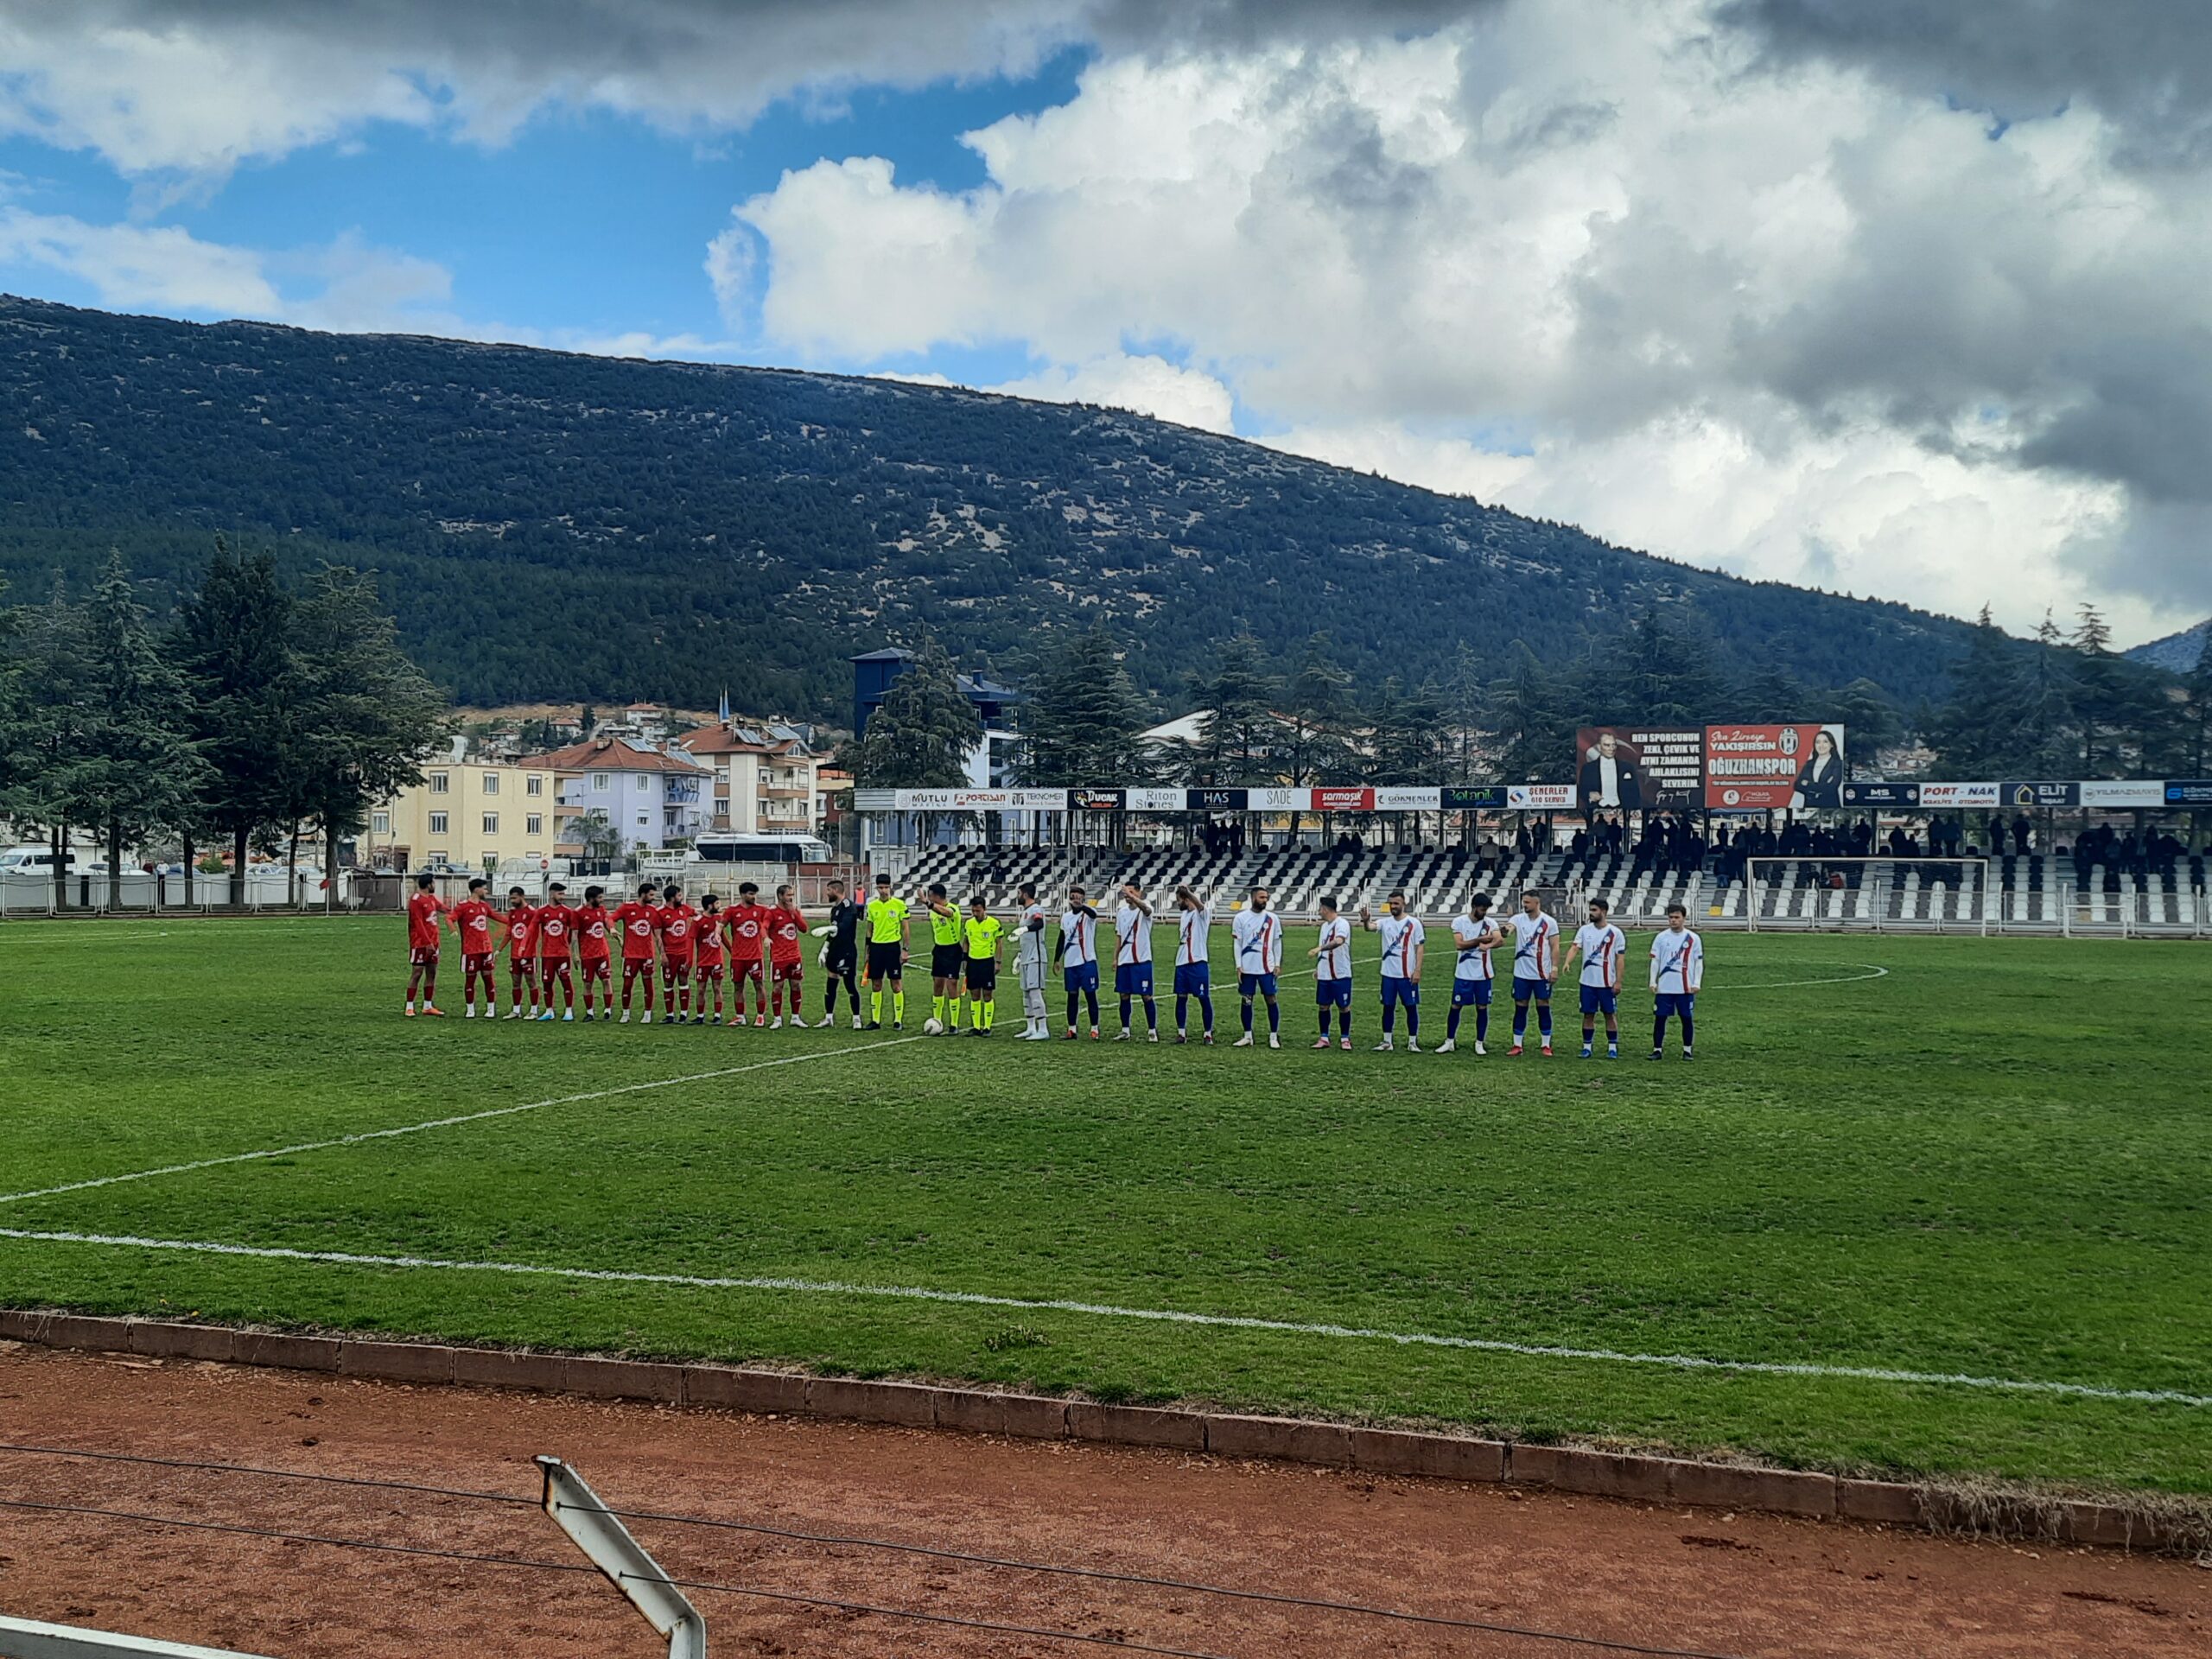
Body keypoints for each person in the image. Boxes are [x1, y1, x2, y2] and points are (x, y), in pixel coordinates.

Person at [1561, 897, 1626, 1058]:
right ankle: (1587, 1047)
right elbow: (1575, 947)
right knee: (1588, 1014)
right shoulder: (1584, 930)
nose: (1591, 913)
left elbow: (1620, 958)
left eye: (1594, 910)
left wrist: (1618, 981)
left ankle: (1612, 1048)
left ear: (1603, 912)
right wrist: (1567, 962)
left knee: (1609, 1014)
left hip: (1606, 983)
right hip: (1587, 982)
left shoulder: (1615, 933)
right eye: (1590, 910)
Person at [1360, 889, 1424, 1052]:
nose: (1393, 906)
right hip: (1388, 974)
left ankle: (1412, 1041)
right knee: (1388, 1007)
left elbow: (1419, 948)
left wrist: (1417, 970)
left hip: (1406, 975)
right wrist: (1366, 921)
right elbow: (1370, 928)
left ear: (1404, 904)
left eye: (1396, 903)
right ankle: (1387, 1041)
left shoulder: (1414, 923)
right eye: (1390, 903)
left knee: (1411, 1007)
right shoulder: (1385, 922)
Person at [1440, 890, 1499, 1054]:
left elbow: (1499, 939)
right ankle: (1449, 1041)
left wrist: (1489, 945)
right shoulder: (1459, 922)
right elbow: (1459, 945)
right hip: (1463, 974)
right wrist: (1479, 941)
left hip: (1483, 974)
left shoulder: (1490, 924)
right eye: (1482, 909)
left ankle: (1479, 1042)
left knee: (1482, 1007)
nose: (1484, 913)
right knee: (1456, 1006)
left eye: (1486, 910)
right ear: (1474, 907)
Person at [1505, 890, 1560, 1057]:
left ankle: (1545, 1044)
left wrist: (1555, 968)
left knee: (1543, 1007)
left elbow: (1555, 946)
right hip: (1521, 974)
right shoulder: (1517, 919)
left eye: (1527, 902)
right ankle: (1517, 1044)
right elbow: (1509, 929)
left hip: (1541, 974)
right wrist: (1504, 931)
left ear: (1537, 903)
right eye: (1524, 902)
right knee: (1520, 1007)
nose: (1524, 905)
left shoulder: (1549, 922)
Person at [1649, 902, 1703, 1059]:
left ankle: (1687, 1050)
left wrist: (1696, 982)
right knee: (1660, 1019)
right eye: (1671, 917)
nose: (1673, 920)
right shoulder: (1661, 937)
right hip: (1665, 987)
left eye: (1677, 917)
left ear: (1684, 918)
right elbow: (1655, 961)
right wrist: (1653, 981)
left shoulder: (1693, 938)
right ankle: (1657, 1050)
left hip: (1685, 987)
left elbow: (1698, 961)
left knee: (1686, 1018)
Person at [1230, 886, 1281, 1049]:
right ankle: (1247, 1035)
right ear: (1253, 898)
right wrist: (1238, 965)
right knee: (1246, 1000)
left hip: (1267, 967)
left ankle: (1273, 1036)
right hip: (1247, 968)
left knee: (1271, 999)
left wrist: (1278, 963)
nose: (1264, 901)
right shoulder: (1241, 918)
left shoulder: (1272, 918)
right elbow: (1237, 943)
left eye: (1266, 898)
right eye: (1261, 898)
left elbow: (1277, 942)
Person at [610, 880, 662, 1023]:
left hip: (647, 954)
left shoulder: (653, 911)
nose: (653, 898)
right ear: (643, 894)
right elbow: (611, 918)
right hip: (630, 954)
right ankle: (626, 1012)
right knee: (627, 984)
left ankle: (647, 1013)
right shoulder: (627, 908)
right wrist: (612, 928)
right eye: (651, 895)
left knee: (648, 983)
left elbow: (658, 933)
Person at [1112, 881, 1159, 1042]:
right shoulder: (1121, 912)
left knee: (1146, 996)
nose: (1127, 895)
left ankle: (1152, 1030)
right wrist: (1115, 958)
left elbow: (1146, 909)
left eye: (1131, 892)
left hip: (1141, 960)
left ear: (1138, 893)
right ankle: (1125, 1030)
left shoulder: (1146, 909)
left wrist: (1132, 896)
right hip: (1125, 960)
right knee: (1124, 995)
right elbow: (1119, 936)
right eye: (1126, 892)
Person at [864, 872, 910, 1030]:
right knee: (876, 984)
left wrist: (905, 949)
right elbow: (869, 930)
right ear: (876, 888)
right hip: (877, 948)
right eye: (880, 887)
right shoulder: (872, 906)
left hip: (892, 947)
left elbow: (905, 929)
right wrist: (867, 951)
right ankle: (875, 1020)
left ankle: (898, 1020)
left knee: (896, 984)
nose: (883, 890)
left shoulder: (899, 905)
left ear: (890, 887)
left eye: (886, 887)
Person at [817, 879, 865, 1029]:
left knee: (849, 984)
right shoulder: (834, 909)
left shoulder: (849, 907)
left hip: (847, 951)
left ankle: (856, 1018)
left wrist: (828, 929)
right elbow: (833, 931)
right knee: (831, 983)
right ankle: (828, 1017)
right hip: (834, 950)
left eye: (829, 890)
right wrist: (824, 948)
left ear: (836, 890)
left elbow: (843, 928)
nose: (827, 893)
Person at [448, 876, 498, 1019]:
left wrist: (512, 921)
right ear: (477, 889)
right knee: (470, 980)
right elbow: (450, 918)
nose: (486, 890)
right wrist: (453, 929)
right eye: (484, 887)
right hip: (470, 950)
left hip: (486, 949)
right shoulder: (463, 906)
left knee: (488, 979)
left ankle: (491, 1009)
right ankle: (470, 1009)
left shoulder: (484, 906)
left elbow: (496, 917)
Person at [1308, 894, 1353, 1051]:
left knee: (1344, 1006)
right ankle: (1324, 1037)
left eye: (1320, 909)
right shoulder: (1324, 927)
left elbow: (1339, 941)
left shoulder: (1342, 924)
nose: (1319, 912)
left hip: (1341, 974)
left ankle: (1345, 1038)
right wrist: (1319, 967)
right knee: (1323, 1006)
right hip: (1325, 974)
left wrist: (1319, 948)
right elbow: (1325, 949)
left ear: (1326, 909)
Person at [1172, 884, 1215, 1046]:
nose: (1178, 904)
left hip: (1198, 962)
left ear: (1186, 900)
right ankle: (1181, 1032)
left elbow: (1201, 906)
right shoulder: (1184, 916)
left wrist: (1188, 893)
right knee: (1181, 997)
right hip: (1182, 962)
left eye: (1179, 900)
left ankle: (1207, 1033)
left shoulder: (1201, 915)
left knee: (1203, 998)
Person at [1058, 883, 1102, 1040]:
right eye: (1072, 897)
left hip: (1087, 961)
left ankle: (1094, 1028)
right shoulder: (1065, 917)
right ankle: (1072, 1029)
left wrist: (1082, 906)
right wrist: (1058, 959)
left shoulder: (1088, 915)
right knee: (1072, 996)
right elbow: (1062, 937)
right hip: (1070, 962)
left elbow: (1093, 914)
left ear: (1083, 898)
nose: (1074, 899)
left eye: (1077, 896)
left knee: (1090, 995)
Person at [726, 881, 770, 1027]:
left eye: (755, 894)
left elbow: (770, 923)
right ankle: (740, 1016)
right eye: (751, 894)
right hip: (738, 957)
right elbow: (721, 924)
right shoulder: (732, 911)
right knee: (738, 986)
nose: (754, 897)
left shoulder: (762, 910)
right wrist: (717, 933)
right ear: (743, 895)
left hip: (755, 956)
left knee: (759, 984)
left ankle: (760, 1016)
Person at [404, 873, 448, 1017]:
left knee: (432, 972)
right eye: (433, 883)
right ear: (428, 884)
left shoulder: (431, 898)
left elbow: (444, 908)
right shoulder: (416, 900)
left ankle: (428, 1006)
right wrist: (427, 942)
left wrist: (461, 912)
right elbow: (417, 922)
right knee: (417, 972)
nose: (434, 885)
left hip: (434, 942)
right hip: (420, 943)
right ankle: (409, 1006)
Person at [923, 881, 964, 1033]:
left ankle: (954, 1024)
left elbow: (947, 913)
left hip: (952, 950)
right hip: (939, 949)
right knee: (938, 983)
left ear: (936, 896)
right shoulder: (933, 911)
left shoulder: (953, 908)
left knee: (952, 984)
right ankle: (937, 1020)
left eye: (930, 896)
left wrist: (928, 903)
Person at [657, 883, 699, 1024]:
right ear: (672, 897)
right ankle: (669, 1015)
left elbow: (698, 915)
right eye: (679, 895)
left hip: (683, 953)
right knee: (668, 983)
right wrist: (662, 954)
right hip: (669, 954)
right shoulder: (660, 913)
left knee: (683, 981)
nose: (681, 898)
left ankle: (683, 1014)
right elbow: (658, 936)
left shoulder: (684, 909)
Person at [534, 881, 577, 1022]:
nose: (562, 896)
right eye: (560, 893)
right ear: (551, 894)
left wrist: (570, 947)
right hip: (547, 954)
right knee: (547, 982)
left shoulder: (567, 912)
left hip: (563, 954)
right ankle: (549, 1011)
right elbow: (533, 930)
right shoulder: (542, 912)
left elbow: (573, 932)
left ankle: (569, 1011)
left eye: (563, 893)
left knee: (566, 981)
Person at [961, 894, 1002, 1035]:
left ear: (984, 909)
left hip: (987, 962)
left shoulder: (994, 923)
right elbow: (966, 941)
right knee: (974, 994)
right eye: (973, 911)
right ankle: (976, 1027)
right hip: (973, 962)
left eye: (978, 911)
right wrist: (965, 959)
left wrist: (998, 962)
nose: (975, 913)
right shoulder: (969, 923)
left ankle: (987, 1027)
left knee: (987, 994)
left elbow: (999, 943)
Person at [1015, 881, 1052, 1040]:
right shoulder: (1025, 912)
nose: (1017, 897)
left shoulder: (1036, 910)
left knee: (1035, 992)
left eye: (1019, 893)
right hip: (1026, 957)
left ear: (1025, 894)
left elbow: (1039, 923)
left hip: (1036, 957)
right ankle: (1031, 1027)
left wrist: (1026, 929)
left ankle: (1043, 1029)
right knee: (1026, 993)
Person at [1577, 730, 1643, 814]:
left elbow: (1635, 791)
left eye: (1613, 745)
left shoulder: (1627, 767)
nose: (1611, 748)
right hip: (1597, 807)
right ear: (1599, 747)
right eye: (1607, 745)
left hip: (1621, 805)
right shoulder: (1588, 768)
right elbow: (1582, 790)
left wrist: (1635, 807)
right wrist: (1589, 795)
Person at [767, 884, 806, 1028]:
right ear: (780, 896)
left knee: (796, 985)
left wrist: (793, 913)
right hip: (778, 957)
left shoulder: (794, 911)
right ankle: (777, 1019)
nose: (791, 898)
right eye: (788, 895)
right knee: (778, 987)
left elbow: (804, 928)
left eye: (792, 895)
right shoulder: (772, 912)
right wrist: (766, 938)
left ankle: (795, 1017)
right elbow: (764, 926)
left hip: (794, 956)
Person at [500, 885, 538, 1020]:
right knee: (515, 982)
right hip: (514, 954)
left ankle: (534, 1010)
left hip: (528, 954)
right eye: (511, 898)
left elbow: (534, 934)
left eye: (514, 898)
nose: (512, 901)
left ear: (522, 896)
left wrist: (528, 950)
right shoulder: (512, 913)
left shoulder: (532, 912)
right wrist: (499, 950)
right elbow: (509, 932)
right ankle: (516, 1010)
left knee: (531, 981)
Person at [575, 885, 613, 1020]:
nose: (602, 900)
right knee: (588, 983)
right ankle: (589, 1012)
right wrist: (575, 955)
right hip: (587, 955)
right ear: (591, 899)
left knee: (606, 980)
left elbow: (606, 921)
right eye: (600, 897)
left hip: (603, 953)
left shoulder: (601, 909)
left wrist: (612, 930)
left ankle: (608, 1010)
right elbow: (574, 935)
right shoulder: (579, 913)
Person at [692, 893, 728, 1026]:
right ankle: (700, 1016)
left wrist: (732, 951)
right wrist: (690, 960)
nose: (720, 906)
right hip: (703, 961)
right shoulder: (698, 922)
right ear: (709, 905)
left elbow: (723, 937)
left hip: (717, 961)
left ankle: (717, 1016)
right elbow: (692, 940)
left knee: (717, 988)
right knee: (701, 989)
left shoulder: (719, 920)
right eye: (717, 903)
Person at [1789, 728, 1846, 810]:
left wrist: (1808, 784)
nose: (1821, 745)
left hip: (1830, 806)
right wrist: (1820, 787)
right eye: (1818, 742)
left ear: (1832, 744)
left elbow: (1831, 787)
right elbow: (1797, 785)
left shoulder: (1838, 763)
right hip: (1810, 805)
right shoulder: (1809, 763)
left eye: (1825, 742)